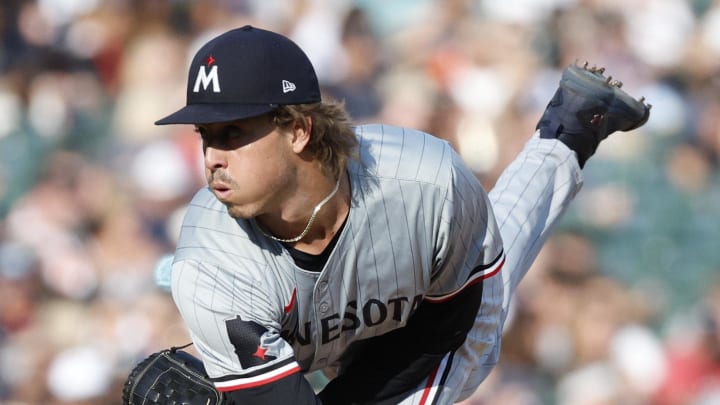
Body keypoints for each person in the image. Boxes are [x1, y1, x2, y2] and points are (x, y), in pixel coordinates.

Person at [151, 25, 650, 404]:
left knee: (492, 274)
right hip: (314, 347)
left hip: (426, 323)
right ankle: (575, 122)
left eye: (232, 134)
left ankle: (570, 131)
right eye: (206, 136)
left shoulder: (427, 183)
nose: (212, 156)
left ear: (299, 130)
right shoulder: (207, 261)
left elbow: (445, 335)